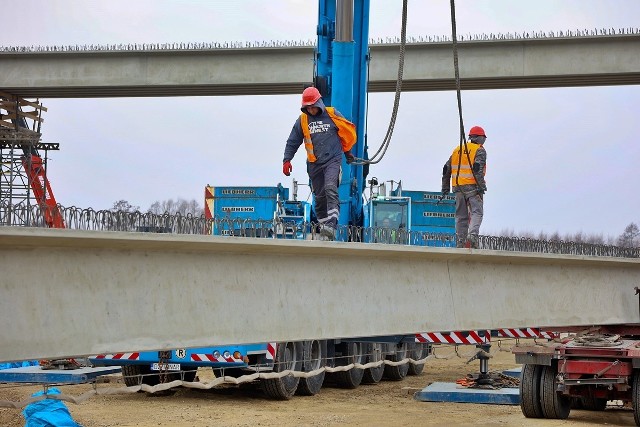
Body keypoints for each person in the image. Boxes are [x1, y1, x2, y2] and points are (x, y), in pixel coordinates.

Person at [282, 87, 356, 240]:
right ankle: (324, 228)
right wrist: (287, 159)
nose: (311, 109)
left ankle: (332, 225)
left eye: (313, 106)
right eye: (307, 107)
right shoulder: (302, 120)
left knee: (330, 187)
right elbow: (293, 141)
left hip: (333, 160)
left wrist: (348, 153)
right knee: (320, 197)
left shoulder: (332, 114)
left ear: (319, 102)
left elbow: (344, 133)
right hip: (314, 163)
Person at [441, 125, 487, 248]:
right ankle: (472, 236)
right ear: (479, 138)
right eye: (484, 138)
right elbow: (478, 169)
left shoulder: (457, 150)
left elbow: (446, 169)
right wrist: (481, 187)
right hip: (473, 186)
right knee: (477, 212)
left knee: (461, 216)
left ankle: (460, 241)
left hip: (458, 188)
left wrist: (445, 188)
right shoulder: (479, 150)